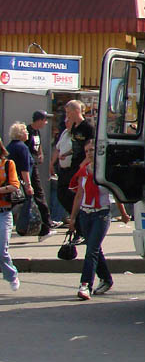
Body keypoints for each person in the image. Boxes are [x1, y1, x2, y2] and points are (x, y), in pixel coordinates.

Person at [68, 139, 114, 300]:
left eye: (92, 150)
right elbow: (79, 194)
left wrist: (123, 214)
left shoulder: (104, 171)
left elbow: (114, 192)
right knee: (94, 249)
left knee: (91, 250)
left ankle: (85, 284)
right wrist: (72, 218)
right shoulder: (83, 172)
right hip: (85, 214)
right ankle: (107, 279)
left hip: (101, 214)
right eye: (87, 151)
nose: (89, 153)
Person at [58, 100, 94, 244]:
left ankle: (81, 230)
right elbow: (75, 145)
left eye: (68, 112)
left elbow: (91, 147)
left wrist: (84, 164)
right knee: (62, 194)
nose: (67, 116)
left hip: (81, 167)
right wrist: (66, 153)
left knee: (76, 196)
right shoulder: (74, 127)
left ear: (75, 111)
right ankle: (80, 228)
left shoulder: (87, 127)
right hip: (71, 165)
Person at [20, 111, 56, 239]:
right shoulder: (28, 131)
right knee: (36, 193)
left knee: (37, 193)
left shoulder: (37, 132)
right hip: (28, 166)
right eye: (45, 120)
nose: (46, 123)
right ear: (39, 120)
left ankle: (45, 222)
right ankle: (46, 223)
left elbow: (38, 145)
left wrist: (41, 154)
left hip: (34, 164)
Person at [0, 141, 22, 292]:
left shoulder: (7, 164)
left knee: (1, 249)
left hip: (4, 212)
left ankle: (11, 275)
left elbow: (15, 185)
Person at [7, 123, 35, 235]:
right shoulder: (22, 147)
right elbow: (25, 168)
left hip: (11, 181)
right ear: (20, 133)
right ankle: (24, 227)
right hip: (19, 182)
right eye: (25, 131)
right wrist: (28, 185)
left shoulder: (10, 146)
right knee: (20, 205)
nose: (27, 133)